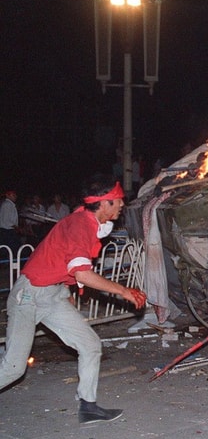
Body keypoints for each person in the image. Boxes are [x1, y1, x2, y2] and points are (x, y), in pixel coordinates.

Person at [0, 180, 147, 424]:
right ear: (104, 203)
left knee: (90, 345)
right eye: (118, 200)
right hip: (29, 295)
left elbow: (63, 262)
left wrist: (66, 291)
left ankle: (88, 407)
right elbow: (83, 274)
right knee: (14, 368)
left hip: (51, 294)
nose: (122, 204)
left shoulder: (85, 221)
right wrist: (123, 290)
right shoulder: (80, 224)